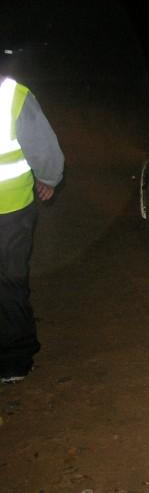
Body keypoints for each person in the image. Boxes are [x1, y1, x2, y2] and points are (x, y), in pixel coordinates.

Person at [0, 75, 64, 383]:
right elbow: (45, 149)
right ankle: (14, 360)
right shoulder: (13, 95)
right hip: (11, 209)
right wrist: (49, 179)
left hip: (11, 208)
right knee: (10, 281)